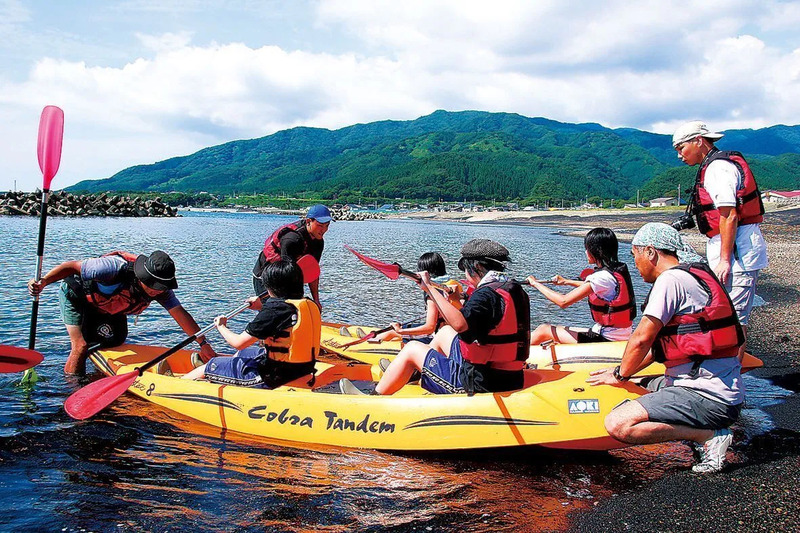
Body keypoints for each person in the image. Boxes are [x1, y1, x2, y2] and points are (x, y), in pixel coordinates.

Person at [587, 223, 745, 473]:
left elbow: (641, 338)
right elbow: (656, 348)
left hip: (707, 397)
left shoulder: (670, 280)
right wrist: (623, 372)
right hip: (718, 391)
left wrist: (619, 375)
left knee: (619, 424)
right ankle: (702, 430)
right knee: (639, 384)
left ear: (651, 252)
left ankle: (708, 436)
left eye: (635, 254)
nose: (635, 264)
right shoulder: (692, 274)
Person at [340, 239, 530, 395]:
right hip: (507, 374)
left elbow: (460, 325)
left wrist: (430, 288)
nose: (464, 273)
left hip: (480, 381)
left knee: (412, 348)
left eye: (466, 268)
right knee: (444, 332)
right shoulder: (512, 289)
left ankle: (373, 398)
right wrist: (455, 301)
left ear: (477, 266)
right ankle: (415, 372)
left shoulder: (485, 295)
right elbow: (475, 322)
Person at [27, 250, 216, 374]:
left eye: (162, 287)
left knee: (116, 340)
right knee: (81, 346)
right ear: (142, 277)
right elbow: (71, 267)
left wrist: (203, 343)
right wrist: (43, 282)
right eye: (154, 286)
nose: (158, 290)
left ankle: (98, 367)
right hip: (76, 295)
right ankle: (72, 385)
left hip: (108, 306)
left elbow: (181, 315)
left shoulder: (162, 290)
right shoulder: (111, 268)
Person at [672, 120, 768, 359]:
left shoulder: (718, 168)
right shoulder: (711, 166)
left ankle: (730, 373)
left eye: (681, 148)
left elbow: (729, 214)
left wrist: (725, 259)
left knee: (734, 316)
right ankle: (723, 366)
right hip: (728, 245)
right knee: (722, 310)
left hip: (737, 251)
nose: (679, 156)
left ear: (698, 141)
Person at [184, 260, 321, 388]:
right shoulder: (307, 303)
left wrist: (221, 326)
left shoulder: (274, 310)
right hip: (303, 368)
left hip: (273, 377)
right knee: (242, 353)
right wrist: (261, 307)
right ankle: (220, 373)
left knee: (210, 365)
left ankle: (182, 382)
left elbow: (238, 342)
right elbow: (282, 319)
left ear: (270, 287)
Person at [526, 228, 636, 345]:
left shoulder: (601, 277)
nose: (585, 252)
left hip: (607, 339)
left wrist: (535, 283)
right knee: (559, 331)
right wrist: (566, 281)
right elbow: (591, 286)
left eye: (587, 249)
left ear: (595, 251)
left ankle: (514, 355)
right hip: (617, 333)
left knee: (544, 330)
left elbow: (563, 301)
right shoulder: (614, 271)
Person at [252, 204, 332, 309]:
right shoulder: (292, 239)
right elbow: (287, 274)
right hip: (265, 276)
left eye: (327, 225)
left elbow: (313, 271)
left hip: (287, 275)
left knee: (293, 308)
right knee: (276, 311)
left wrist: (316, 300)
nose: (324, 230)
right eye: (320, 225)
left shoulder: (318, 242)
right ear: (308, 221)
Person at [372, 252, 462, 343]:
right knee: (400, 333)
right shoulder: (454, 285)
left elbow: (430, 328)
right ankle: (377, 337)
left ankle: (370, 341)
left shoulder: (433, 292)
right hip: (452, 332)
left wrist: (400, 331)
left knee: (392, 332)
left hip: (437, 336)